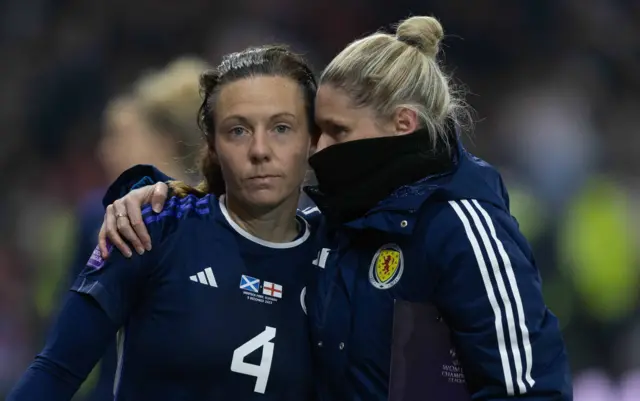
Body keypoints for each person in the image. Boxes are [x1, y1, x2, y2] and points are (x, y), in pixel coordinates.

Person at [97, 15, 573, 400]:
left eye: (338, 132)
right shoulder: (336, 227)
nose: (319, 149)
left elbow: (527, 391)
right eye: (317, 130)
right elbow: (241, 230)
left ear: (401, 124)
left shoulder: (462, 228)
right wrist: (158, 196)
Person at [7, 45, 319, 401]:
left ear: (312, 140)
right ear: (212, 146)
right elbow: (56, 370)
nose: (260, 149)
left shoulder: (337, 256)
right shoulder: (151, 228)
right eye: (238, 130)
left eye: (281, 127)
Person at [61, 56, 208, 401]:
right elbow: (68, 343)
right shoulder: (96, 219)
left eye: (119, 136)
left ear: (166, 140)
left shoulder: (223, 220)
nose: (104, 152)